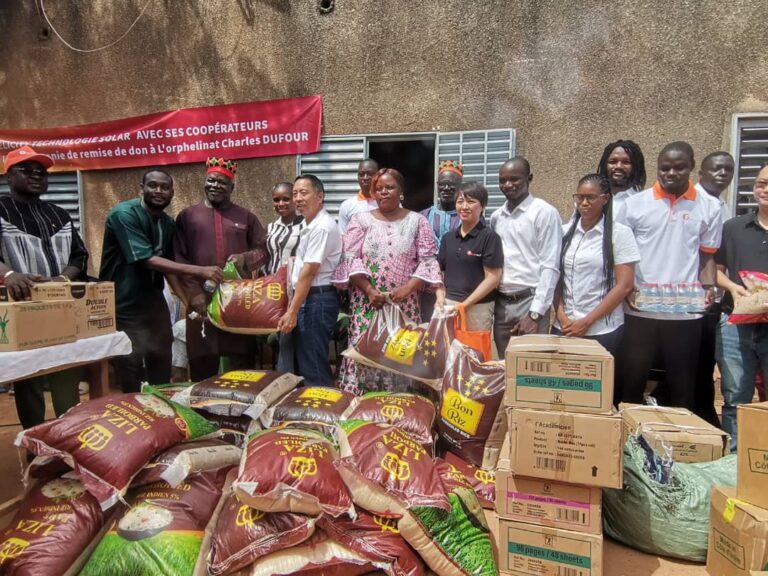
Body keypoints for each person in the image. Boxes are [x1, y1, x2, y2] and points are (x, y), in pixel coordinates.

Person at [616, 141, 722, 411]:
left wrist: (709, 286)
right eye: (665, 168)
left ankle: (680, 446)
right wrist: (626, 289)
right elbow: (621, 257)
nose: (671, 173)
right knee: (631, 384)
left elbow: (707, 254)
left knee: (682, 387)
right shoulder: (634, 205)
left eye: (679, 168)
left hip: (685, 311)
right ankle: (628, 444)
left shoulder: (709, 207)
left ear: (691, 167)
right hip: (640, 310)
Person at [99, 168, 223, 393]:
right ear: (142, 188)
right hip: (123, 304)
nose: (159, 191)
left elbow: (169, 268)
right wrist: (200, 271)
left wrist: (186, 301)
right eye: (153, 185)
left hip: (153, 303)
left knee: (161, 359)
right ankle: (135, 415)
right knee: (131, 365)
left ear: (172, 192)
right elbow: (146, 260)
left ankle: (160, 413)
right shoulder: (123, 214)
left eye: (165, 187)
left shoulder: (167, 224)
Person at [0, 146, 88, 429]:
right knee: (30, 381)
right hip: (19, 308)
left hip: (60, 307)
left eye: (41, 172)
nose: (36, 176)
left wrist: (62, 280)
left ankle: (68, 436)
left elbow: (79, 255)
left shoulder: (59, 214)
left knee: (65, 373)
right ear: (9, 175)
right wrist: (9, 274)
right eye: (26, 170)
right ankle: (35, 443)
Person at [332, 168, 441, 394]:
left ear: (401, 191)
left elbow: (428, 260)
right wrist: (370, 291)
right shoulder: (359, 221)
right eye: (379, 188)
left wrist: (409, 288)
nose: (383, 192)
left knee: (400, 352)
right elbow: (350, 259)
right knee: (365, 351)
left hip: (405, 305)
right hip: (367, 304)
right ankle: (362, 403)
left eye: (389, 187)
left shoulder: (418, 221)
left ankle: (400, 402)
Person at [173, 157, 268, 381]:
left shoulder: (246, 217)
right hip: (200, 299)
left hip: (238, 300)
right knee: (202, 360)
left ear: (232, 187)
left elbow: (264, 250)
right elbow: (179, 258)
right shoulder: (188, 216)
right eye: (211, 181)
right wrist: (192, 295)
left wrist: (245, 258)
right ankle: (202, 409)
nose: (215, 186)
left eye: (222, 183)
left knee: (241, 361)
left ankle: (240, 411)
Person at [552, 174, 639, 356]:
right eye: (579, 197)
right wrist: (561, 315)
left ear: (605, 199)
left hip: (601, 330)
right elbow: (556, 278)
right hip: (565, 327)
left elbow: (625, 285)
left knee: (597, 384)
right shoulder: (563, 232)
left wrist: (586, 323)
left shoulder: (620, 234)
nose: (584, 203)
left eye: (590, 198)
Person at [715, 161, 768, 449]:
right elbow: (715, 269)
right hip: (735, 325)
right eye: (761, 183)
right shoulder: (734, 227)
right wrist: (734, 288)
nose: (765, 189)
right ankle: (733, 463)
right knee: (735, 396)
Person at [490, 157, 562, 355]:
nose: (508, 185)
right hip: (502, 303)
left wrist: (535, 314)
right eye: (502, 180)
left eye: (515, 179)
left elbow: (550, 266)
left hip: (529, 300)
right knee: (505, 366)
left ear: (529, 178)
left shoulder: (544, 213)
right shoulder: (497, 217)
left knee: (531, 368)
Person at [277, 174, 342, 386]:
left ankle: (323, 413)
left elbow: (309, 272)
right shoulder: (308, 225)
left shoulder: (321, 226)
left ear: (320, 196)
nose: (297, 198)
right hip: (308, 298)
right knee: (303, 362)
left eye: (304, 193)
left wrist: (292, 311)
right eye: (295, 194)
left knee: (313, 364)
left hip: (317, 299)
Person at [693, 150, 736, 427]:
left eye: (728, 170)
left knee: (707, 361)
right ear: (701, 173)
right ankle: (701, 415)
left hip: (715, 298)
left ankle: (705, 413)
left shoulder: (722, 206)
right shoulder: (694, 202)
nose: (722, 174)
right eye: (716, 169)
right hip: (692, 297)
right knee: (696, 364)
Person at [435, 181, 503, 332]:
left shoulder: (489, 237)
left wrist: (464, 305)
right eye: (460, 201)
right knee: (446, 351)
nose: (464, 206)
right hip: (448, 305)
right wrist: (440, 297)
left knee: (474, 353)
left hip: (477, 308)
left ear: (483, 206)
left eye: (471, 201)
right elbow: (438, 272)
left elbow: (493, 278)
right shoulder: (448, 238)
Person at [597, 139, 647, 221]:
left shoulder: (643, 203)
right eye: (613, 162)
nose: (619, 166)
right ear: (605, 165)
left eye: (626, 162)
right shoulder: (591, 200)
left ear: (636, 167)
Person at [265, 181, 304, 275]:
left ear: (295, 199)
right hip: (272, 286)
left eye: (286, 199)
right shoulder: (270, 228)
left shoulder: (305, 226)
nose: (281, 204)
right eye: (276, 200)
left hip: (296, 285)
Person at [337, 159, 379, 234]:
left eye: (370, 174)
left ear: (378, 176)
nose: (365, 178)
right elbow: (342, 236)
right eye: (361, 174)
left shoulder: (388, 203)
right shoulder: (347, 206)